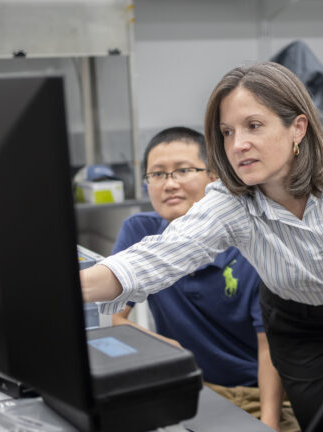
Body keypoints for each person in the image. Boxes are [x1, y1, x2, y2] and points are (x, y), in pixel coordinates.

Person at [82, 61, 323, 431]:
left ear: (297, 126)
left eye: (253, 126)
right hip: (298, 318)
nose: (238, 144)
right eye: (227, 132)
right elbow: (157, 257)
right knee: (321, 422)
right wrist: (65, 289)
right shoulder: (229, 202)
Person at [110, 126, 298, 431]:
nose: (169, 184)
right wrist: (167, 347)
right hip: (184, 388)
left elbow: (269, 349)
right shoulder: (140, 232)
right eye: (157, 174)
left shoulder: (249, 242)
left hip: (253, 393)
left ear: (214, 178)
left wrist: (268, 423)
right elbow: (109, 318)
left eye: (183, 170)